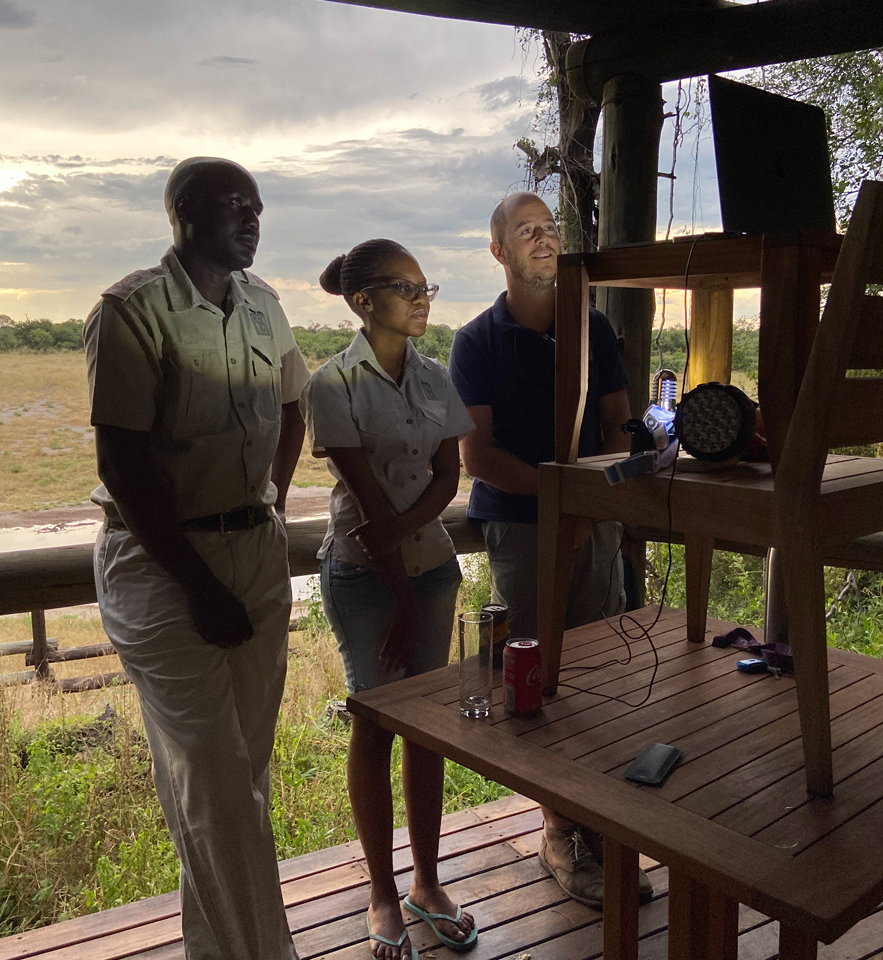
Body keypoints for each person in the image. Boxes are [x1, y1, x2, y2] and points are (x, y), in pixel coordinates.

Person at [84, 157, 307, 960]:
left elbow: (291, 409)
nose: (250, 220)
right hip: (164, 564)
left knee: (239, 779)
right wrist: (200, 584)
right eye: (231, 206)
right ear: (181, 215)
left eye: (257, 207)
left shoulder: (264, 308)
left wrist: (269, 504)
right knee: (214, 778)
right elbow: (125, 467)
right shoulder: (132, 312)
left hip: (256, 549)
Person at [448, 191, 653, 907]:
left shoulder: (593, 327)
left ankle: (601, 822)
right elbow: (480, 456)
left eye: (552, 229)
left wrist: (601, 505)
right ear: (499, 251)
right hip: (523, 528)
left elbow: (618, 427)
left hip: (592, 525)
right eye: (526, 231)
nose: (544, 240)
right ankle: (558, 831)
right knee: (538, 682)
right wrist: (561, 498)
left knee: (598, 672)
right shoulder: (476, 342)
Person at [302, 239, 479, 960]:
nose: (421, 298)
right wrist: (400, 594)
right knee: (376, 722)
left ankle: (428, 883)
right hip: (364, 574)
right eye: (404, 288)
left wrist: (412, 547)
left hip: (431, 568)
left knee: (428, 727)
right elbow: (367, 506)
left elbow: (448, 478)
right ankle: (382, 891)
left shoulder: (436, 377)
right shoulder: (332, 384)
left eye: (424, 285)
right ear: (362, 300)